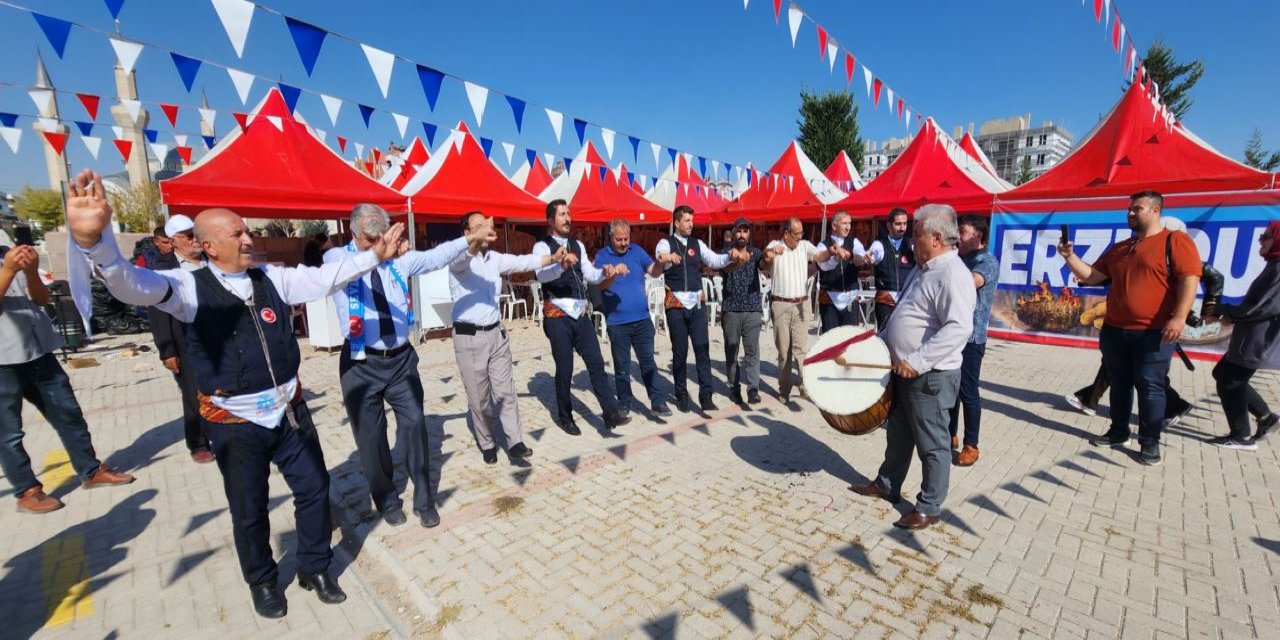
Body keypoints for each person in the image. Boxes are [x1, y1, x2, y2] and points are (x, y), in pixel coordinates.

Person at [64, 169, 428, 618]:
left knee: (315, 489)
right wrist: (93, 244)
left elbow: (323, 280)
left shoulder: (272, 277)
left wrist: (374, 256)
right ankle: (262, 581)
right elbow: (128, 284)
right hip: (235, 423)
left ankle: (315, 567)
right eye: (236, 233)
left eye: (247, 229)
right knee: (250, 508)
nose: (248, 237)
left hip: (289, 413)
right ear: (209, 245)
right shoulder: (185, 288)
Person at [326, 204, 487, 529]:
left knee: (415, 426)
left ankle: (424, 500)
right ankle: (386, 500)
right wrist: (378, 255)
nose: (379, 242)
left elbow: (434, 258)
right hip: (360, 363)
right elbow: (347, 271)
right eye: (371, 237)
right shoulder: (336, 259)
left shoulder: (399, 260)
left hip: (400, 361)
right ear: (354, 234)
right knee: (371, 440)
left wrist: (468, 239)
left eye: (382, 235)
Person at [849, 204, 975, 530]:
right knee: (899, 434)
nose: (911, 241)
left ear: (935, 237)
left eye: (916, 234)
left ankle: (929, 506)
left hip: (928, 376)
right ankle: (888, 484)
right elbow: (908, 314)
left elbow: (958, 329)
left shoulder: (953, 274)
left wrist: (917, 362)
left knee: (932, 443)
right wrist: (880, 342)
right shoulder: (925, 268)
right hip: (904, 371)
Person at [1059, 190, 1202, 466]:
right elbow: (1091, 275)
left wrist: (1179, 317)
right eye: (1129, 209)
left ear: (1156, 210)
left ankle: (1149, 442)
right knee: (1120, 383)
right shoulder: (1121, 248)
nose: (1130, 213)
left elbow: (1189, 279)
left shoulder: (1175, 241)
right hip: (1115, 330)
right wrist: (1069, 256)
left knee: (1150, 387)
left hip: (1154, 332)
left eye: (1137, 208)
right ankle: (1118, 432)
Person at [0, 243, 135, 514]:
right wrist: (8, 271)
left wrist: (32, 272)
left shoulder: (8, 253)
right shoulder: (8, 263)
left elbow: (39, 300)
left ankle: (91, 470)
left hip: (39, 352)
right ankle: (27, 490)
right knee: (8, 433)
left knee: (68, 414)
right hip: (3, 362)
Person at [449, 211, 566, 464]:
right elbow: (463, 256)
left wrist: (552, 258)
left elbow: (523, 262)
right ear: (466, 233)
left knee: (505, 392)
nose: (484, 229)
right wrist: (473, 243)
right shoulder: (459, 259)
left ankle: (515, 442)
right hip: (469, 338)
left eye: (485, 225)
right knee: (479, 399)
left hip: (496, 334)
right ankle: (487, 442)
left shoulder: (494, 258)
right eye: (477, 226)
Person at [533, 199, 631, 435]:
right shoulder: (542, 247)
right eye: (562, 215)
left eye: (569, 214)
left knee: (596, 362)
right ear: (550, 221)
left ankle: (610, 412)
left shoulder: (577, 245)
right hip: (557, 314)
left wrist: (606, 272)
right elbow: (541, 275)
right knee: (565, 368)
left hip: (580, 312)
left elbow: (590, 274)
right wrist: (561, 265)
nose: (568, 218)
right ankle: (565, 417)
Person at [654, 205, 744, 412]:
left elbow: (714, 259)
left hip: (696, 304)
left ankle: (706, 396)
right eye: (687, 220)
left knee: (702, 349)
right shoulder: (665, 242)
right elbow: (660, 255)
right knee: (680, 351)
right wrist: (668, 257)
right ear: (676, 223)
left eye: (692, 220)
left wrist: (730, 256)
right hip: (676, 303)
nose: (691, 224)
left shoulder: (697, 244)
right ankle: (681, 394)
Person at [146, 214, 212, 464]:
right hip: (185, 339)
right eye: (188, 236)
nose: (195, 240)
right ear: (173, 241)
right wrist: (167, 349)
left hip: (218, 337)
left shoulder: (211, 262)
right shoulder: (163, 271)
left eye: (196, 234)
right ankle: (198, 442)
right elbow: (158, 314)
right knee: (193, 391)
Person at [1208, 221, 1280, 449]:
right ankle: (1267, 418)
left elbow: (1263, 307)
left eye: (1266, 236)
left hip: (1259, 338)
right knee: (1223, 373)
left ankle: (1242, 436)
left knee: (1230, 383)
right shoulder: (1274, 264)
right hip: (1250, 336)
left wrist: (1224, 310)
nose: (1261, 240)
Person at [594, 218, 671, 417]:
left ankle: (658, 401)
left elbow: (653, 271)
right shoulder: (602, 256)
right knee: (622, 368)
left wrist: (661, 264)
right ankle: (624, 403)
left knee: (648, 363)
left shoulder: (636, 251)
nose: (623, 243)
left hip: (642, 320)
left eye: (626, 238)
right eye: (619, 239)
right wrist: (613, 274)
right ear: (611, 237)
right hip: (617, 323)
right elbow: (599, 286)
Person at [947, 215, 1000, 467]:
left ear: (978, 235)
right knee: (950, 390)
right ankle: (949, 434)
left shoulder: (986, 261)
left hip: (972, 338)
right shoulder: (957, 257)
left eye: (964, 231)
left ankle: (971, 445)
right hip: (951, 334)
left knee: (968, 392)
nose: (958, 236)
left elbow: (970, 284)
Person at [762, 217, 833, 403]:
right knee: (784, 351)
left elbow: (820, 256)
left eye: (802, 232)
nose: (800, 237)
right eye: (797, 234)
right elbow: (766, 258)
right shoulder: (775, 244)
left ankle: (804, 387)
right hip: (780, 304)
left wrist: (831, 252)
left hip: (802, 303)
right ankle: (784, 390)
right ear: (786, 234)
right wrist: (772, 253)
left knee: (801, 349)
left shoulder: (804, 245)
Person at [719, 217, 766, 405]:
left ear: (749, 234)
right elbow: (726, 268)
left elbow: (765, 264)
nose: (742, 235)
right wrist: (737, 260)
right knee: (732, 349)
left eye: (745, 231)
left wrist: (771, 256)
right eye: (739, 231)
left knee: (752, 350)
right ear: (733, 232)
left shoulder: (755, 253)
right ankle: (734, 387)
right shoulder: (726, 253)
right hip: (731, 308)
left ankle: (753, 388)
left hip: (752, 308)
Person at [815, 211, 868, 333]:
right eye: (844, 223)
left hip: (850, 297)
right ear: (834, 226)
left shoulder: (853, 242)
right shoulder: (822, 245)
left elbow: (860, 254)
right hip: (829, 298)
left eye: (849, 223)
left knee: (850, 340)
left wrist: (859, 259)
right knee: (830, 340)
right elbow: (824, 266)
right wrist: (836, 258)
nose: (848, 227)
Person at [868, 208, 917, 331]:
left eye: (905, 224)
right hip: (886, 300)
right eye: (898, 224)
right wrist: (870, 257)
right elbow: (874, 253)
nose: (902, 228)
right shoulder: (880, 244)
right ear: (888, 225)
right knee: (885, 337)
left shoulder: (911, 244)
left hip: (907, 300)